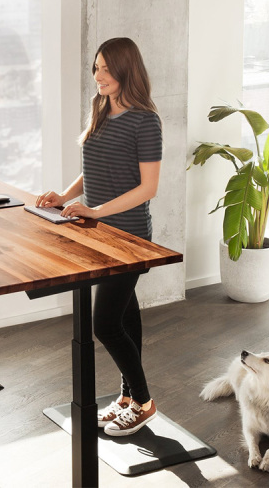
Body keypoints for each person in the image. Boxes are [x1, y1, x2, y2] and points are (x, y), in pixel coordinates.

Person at [36, 37, 162, 436]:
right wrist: (64, 195)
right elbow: (94, 167)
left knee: (105, 323)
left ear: (127, 70)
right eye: (96, 67)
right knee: (125, 315)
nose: (98, 75)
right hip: (99, 232)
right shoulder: (101, 108)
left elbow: (148, 188)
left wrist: (94, 211)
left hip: (129, 237)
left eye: (106, 69)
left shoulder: (146, 121)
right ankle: (127, 396)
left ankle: (143, 401)